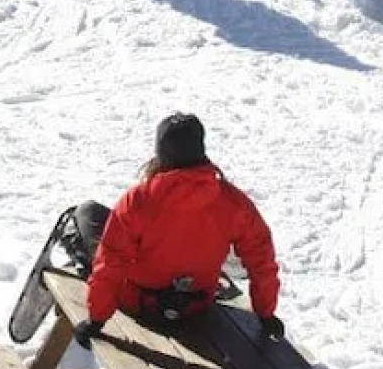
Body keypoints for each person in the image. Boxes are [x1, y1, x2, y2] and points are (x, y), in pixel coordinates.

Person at [68, 113, 285, 349]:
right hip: (196, 305)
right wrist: (265, 314)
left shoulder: (139, 200)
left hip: (139, 303)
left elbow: (110, 262)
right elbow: (261, 259)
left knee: (89, 214)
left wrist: (96, 319)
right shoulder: (232, 201)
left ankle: (78, 252)